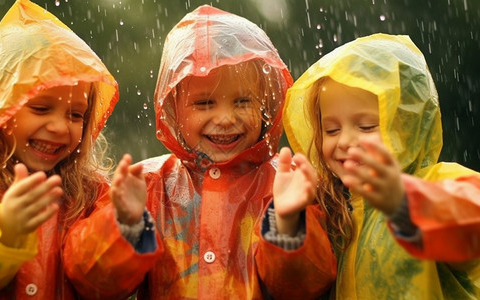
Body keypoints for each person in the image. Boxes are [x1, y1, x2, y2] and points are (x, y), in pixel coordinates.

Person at [63, 5, 336, 299]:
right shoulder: (147, 185)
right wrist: (124, 224)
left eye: (242, 101)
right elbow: (94, 284)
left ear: (265, 105)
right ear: (173, 110)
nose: (225, 118)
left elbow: (307, 287)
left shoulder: (285, 186)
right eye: (204, 104)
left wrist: (288, 222)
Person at [0, 0, 122, 298]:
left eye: (76, 115)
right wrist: (4, 228)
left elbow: (104, 284)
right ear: (1, 107)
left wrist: (126, 227)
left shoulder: (91, 191)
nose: (59, 127)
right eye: (41, 109)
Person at [282, 33, 480, 299]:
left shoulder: (439, 182)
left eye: (366, 126)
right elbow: (297, 285)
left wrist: (403, 202)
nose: (345, 141)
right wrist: (288, 222)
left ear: (407, 126)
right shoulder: (334, 210)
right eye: (331, 129)